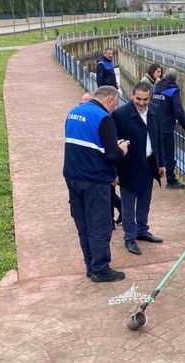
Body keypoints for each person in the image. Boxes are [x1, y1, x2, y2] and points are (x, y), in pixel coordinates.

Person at [63, 86, 128, 282]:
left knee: (82, 223)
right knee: (99, 224)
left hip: (73, 177)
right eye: (115, 105)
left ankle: (90, 265)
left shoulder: (73, 112)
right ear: (109, 100)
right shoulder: (103, 118)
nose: (114, 109)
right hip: (94, 180)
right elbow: (111, 154)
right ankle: (100, 268)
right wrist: (122, 149)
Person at [112, 82, 166, 256]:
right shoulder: (120, 115)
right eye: (138, 99)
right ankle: (129, 237)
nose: (142, 103)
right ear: (132, 95)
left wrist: (161, 163)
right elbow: (113, 145)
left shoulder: (155, 111)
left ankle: (142, 230)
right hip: (128, 165)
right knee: (128, 204)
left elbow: (159, 139)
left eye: (145, 99)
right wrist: (114, 172)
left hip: (149, 163)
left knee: (145, 199)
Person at [151, 68, 185, 189]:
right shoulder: (173, 90)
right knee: (169, 154)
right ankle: (171, 180)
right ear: (175, 79)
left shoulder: (156, 87)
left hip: (153, 124)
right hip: (166, 127)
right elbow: (179, 111)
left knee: (154, 151)